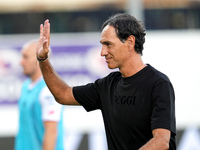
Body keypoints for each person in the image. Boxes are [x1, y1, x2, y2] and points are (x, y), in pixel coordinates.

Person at [36, 13, 176, 150]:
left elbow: (162, 141)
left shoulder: (158, 84)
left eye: (108, 44)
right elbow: (63, 94)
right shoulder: (108, 85)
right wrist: (43, 59)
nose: (102, 52)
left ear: (130, 42)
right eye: (102, 45)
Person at [15, 40, 64, 150]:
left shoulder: (48, 90)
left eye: (25, 57)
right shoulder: (26, 86)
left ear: (38, 60)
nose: (21, 62)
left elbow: (51, 132)